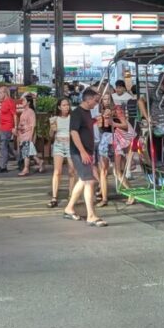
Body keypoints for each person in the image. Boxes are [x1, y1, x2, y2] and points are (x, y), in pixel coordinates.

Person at [63, 88, 106, 227]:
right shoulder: (77, 113)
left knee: (83, 180)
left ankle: (69, 208)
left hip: (86, 151)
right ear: (88, 99)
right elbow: (74, 133)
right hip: (79, 152)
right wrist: (82, 151)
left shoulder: (87, 113)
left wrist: (94, 121)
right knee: (89, 182)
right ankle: (91, 215)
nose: (96, 103)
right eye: (95, 100)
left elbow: (83, 128)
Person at [47, 97, 77, 207]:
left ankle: (71, 195)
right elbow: (50, 135)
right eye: (64, 105)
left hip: (70, 144)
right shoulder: (54, 119)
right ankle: (54, 197)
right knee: (57, 171)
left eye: (67, 105)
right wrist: (52, 129)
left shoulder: (73, 118)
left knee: (72, 171)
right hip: (58, 145)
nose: (66, 107)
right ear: (59, 107)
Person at [95, 91, 116, 207]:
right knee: (103, 171)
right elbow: (101, 129)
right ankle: (104, 197)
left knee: (117, 171)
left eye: (108, 99)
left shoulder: (114, 112)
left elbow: (120, 125)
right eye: (104, 99)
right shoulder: (100, 114)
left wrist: (111, 119)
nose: (106, 101)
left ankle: (130, 193)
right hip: (103, 141)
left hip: (111, 141)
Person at [16, 94, 44, 176]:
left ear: (28, 102)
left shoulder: (31, 112)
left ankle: (26, 169)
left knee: (26, 153)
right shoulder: (24, 111)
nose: (22, 102)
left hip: (27, 135)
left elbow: (33, 125)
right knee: (29, 152)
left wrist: (31, 137)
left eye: (24, 100)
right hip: (23, 134)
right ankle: (40, 162)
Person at [0, 87, 18, 173]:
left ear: (5, 93)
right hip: (2, 128)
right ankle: (19, 159)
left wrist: (15, 127)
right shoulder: (4, 102)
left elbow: (15, 115)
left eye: (0, 93)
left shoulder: (9, 101)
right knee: (6, 146)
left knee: (3, 147)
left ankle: (3, 166)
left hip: (7, 128)